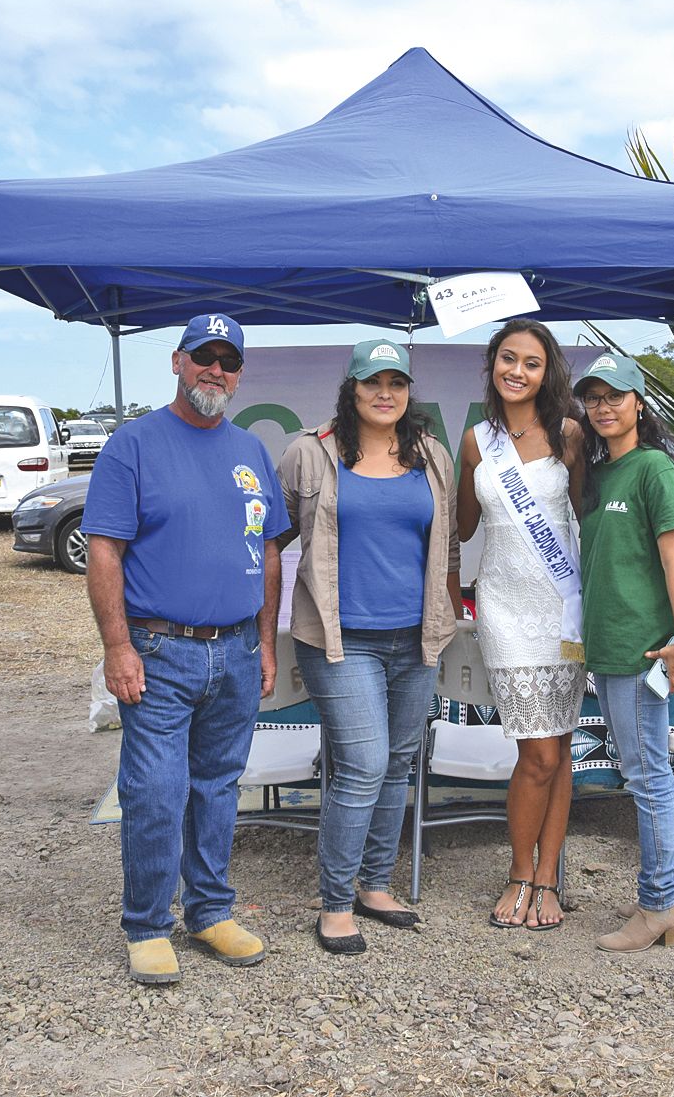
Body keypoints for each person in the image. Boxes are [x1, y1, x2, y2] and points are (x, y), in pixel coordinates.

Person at [84, 313, 289, 986]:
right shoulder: (133, 444)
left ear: (238, 372)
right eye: (203, 356)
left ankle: (207, 912)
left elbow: (267, 553)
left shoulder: (250, 449)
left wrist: (263, 643)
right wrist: (116, 646)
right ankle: (146, 923)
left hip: (233, 650)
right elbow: (104, 551)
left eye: (227, 360)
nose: (215, 369)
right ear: (176, 361)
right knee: (155, 791)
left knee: (217, 788)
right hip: (158, 648)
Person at [277, 339, 461, 954]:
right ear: (350, 388)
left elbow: (448, 545)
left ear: (410, 392)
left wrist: (450, 610)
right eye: (372, 381)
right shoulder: (310, 452)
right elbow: (271, 539)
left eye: (397, 382)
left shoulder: (432, 455)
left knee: (398, 763)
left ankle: (375, 884)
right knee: (362, 764)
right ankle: (334, 901)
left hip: (416, 638)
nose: (386, 392)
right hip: (338, 638)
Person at [456, 319, 586, 932]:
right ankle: (517, 869)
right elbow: (457, 527)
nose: (518, 371)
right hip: (506, 611)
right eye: (508, 359)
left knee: (557, 747)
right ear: (493, 365)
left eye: (531, 363)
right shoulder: (476, 442)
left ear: (546, 371)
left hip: (564, 609)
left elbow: (589, 520)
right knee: (535, 750)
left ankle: (547, 876)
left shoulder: (569, 435)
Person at [575, 353, 674, 954]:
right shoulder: (599, 477)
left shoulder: (653, 469)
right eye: (593, 398)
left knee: (644, 776)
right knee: (653, 773)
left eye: (614, 396)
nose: (602, 407)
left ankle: (655, 907)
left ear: (638, 405)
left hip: (642, 647)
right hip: (609, 644)